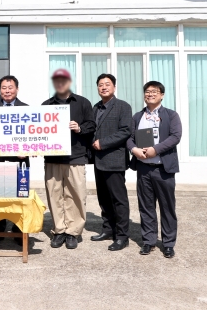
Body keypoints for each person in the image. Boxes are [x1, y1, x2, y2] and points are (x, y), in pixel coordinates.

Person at [127, 81, 182, 258]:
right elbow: (128, 138)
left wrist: (155, 150)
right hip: (144, 168)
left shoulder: (171, 115)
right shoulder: (137, 117)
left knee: (167, 207)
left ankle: (168, 243)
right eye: (147, 92)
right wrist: (134, 149)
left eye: (154, 92)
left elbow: (175, 136)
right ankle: (148, 241)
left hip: (163, 168)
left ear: (162, 95)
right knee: (146, 206)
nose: (150, 94)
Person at [42, 69, 96, 250]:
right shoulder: (46, 105)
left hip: (76, 155)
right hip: (52, 157)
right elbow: (38, 130)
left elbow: (92, 125)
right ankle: (59, 230)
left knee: (76, 194)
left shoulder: (82, 102)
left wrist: (79, 128)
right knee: (54, 194)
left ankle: (73, 232)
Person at [0, 75, 29, 245]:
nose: (7, 90)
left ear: (17, 89)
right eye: (4, 88)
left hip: (20, 161)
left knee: (19, 197)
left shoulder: (26, 108)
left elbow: (31, 136)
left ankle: (18, 231)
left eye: (10, 87)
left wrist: (27, 149)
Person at [90, 74, 133, 251]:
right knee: (103, 198)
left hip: (114, 160)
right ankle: (108, 229)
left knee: (118, 200)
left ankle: (122, 236)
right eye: (100, 85)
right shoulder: (95, 107)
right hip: (98, 161)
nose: (104, 87)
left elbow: (125, 131)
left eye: (107, 84)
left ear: (114, 87)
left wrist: (103, 142)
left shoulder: (123, 106)